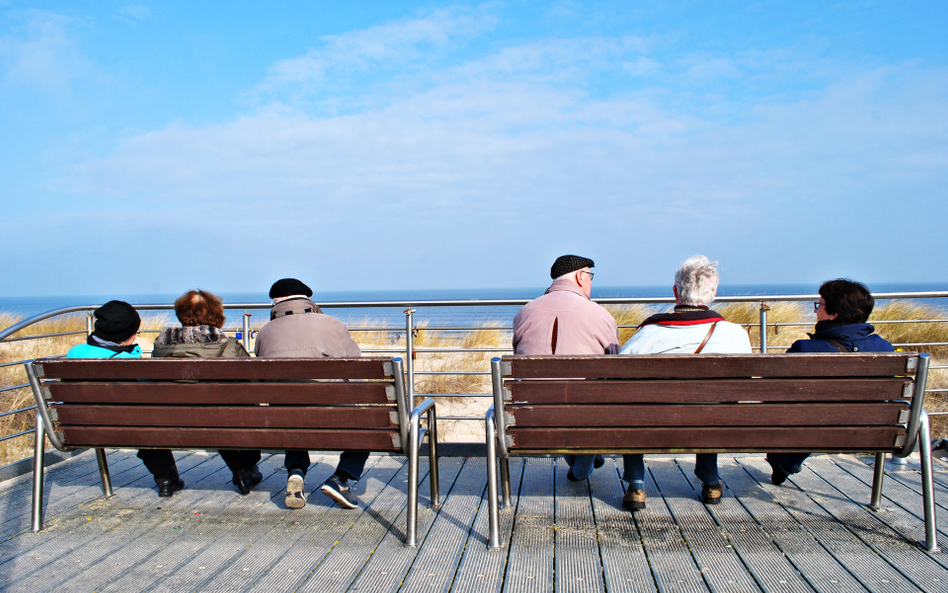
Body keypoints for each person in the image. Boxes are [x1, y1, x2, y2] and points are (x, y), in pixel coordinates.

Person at [619, 255, 751, 510]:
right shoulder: (734, 335)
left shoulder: (649, 333)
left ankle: (636, 486)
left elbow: (619, 376)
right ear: (713, 293)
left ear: (675, 292)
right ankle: (711, 482)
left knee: (632, 408)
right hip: (714, 422)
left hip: (654, 424)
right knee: (710, 405)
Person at [766, 279, 893, 485]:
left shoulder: (805, 350)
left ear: (834, 314)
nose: (816, 311)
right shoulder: (885, 349)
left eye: (820, 305)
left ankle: (784, 461)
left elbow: (773, 391)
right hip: (875, 431)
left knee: (812, 416)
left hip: (817, 428)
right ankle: (786, 464)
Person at [254, 278, 365, 510]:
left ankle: (296, 470)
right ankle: (341, 478)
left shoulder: (265, 332)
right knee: (371, 423)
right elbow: (356, 369)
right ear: (310, 301)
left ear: (276, 304)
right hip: (333, 416)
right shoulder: (331, 324)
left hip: (286, 419)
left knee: (288, 408)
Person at [512, 255, 620, 482]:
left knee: (560, 407)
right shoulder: (601, 316)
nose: (591, 282)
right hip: (586, 417)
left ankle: (585, 458)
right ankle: (583, 467)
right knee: (591, 406)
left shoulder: (524, 313)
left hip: (533, 416)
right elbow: (614, 369)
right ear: (581, 276)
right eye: (590, 276)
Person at [67, 300, 185, 498]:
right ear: (124, 337)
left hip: (79, 428)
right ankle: (166, 480)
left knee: (142, 420)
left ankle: (168, 480)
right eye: (135, 332)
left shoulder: (75, 353)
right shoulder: (129, 363)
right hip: (127, 429)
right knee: (148, 423)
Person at [152, 290, 263, 495]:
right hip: (218, 418)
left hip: (168, 418)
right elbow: (254, 383)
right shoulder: (227, 345)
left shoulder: (160, 346)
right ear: (215, 315)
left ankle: (239, 471)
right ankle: (245, 468)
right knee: (248, 409)